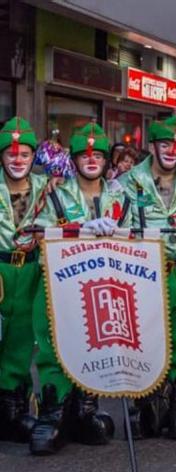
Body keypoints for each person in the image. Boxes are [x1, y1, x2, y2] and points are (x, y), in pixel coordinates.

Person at [29, 122, 128, 454]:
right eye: (85, 154)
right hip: (59, 284)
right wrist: (80, 229)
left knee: (95, 345)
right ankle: (53, 412)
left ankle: (84, 409)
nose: (91, 160)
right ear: (74, 159)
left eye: (98, 154)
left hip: (103, 285)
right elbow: (38, 235)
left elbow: (135, 239)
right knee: (53, 346)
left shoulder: (121, 194)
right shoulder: (54, 190)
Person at [120, 115, 176, 440]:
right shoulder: (130, 181)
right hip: (145, 269)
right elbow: (111, 212)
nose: (171, 150)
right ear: (152, 146)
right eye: (164, 144)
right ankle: (145, 395)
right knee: (145, 335)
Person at [0, 117, 45, 446]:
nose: (18, 160)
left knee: (21, 341)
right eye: (12, 154)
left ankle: (12, 410)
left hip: (30, 270)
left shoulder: (50, 189)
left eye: (25, 154)